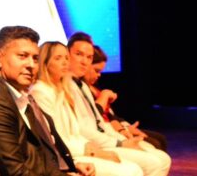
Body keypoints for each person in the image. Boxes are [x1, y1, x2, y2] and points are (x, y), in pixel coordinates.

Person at [0, 26, 94, 176]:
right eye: (22, 56)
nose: (31, 65)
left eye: (35, 58)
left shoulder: (20, 95)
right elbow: (14, 170)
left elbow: (42, 157)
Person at [32, 41, 143, 176]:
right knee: (131, 170)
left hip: (79, 149)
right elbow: (55, 139)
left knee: (135, 166)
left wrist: (93, 147)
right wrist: (93, 151)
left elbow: (77, 131)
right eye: (58, 58)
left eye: (66, 58)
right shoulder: (40, 92)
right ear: (45, 62)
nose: (65, 62)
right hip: (66, 157)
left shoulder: (62, 90)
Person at [67, 33, 170, 176]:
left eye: (89, 57)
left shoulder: (82, 86)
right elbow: (85, 130)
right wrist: (120, 143)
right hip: (89, 146)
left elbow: (100, 123)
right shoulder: (64, 87)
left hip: (102, 141)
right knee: (149, 165)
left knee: (162, 158)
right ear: (67, 54)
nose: (84, 61)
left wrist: (123, 138)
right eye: (79, 54)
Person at [86, 46, 167, 153]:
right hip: (105, 131)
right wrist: (122, 130)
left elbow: (110, 115)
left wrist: (125, 126)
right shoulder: (83, 90)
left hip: (114, 127)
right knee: (154, 143)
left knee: (160, 139)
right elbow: (95, 117)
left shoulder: (95, 87)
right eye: (96, 70)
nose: (99, 75)